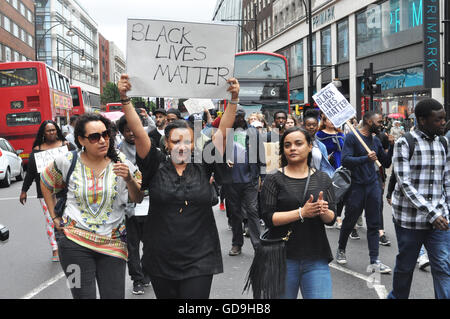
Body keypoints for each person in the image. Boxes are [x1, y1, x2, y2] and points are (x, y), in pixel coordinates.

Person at [118, 73, 241, 299]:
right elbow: (137, 131)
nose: (182, 146)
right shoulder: (154, 164)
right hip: (161, 255)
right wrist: (125, 98)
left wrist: (233, 99)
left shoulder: (204, 164)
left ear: (195, 143)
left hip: (201, 255)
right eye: (176, 141)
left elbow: (223, 131)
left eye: (187, 141)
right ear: (166, 143)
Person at [40, 113, 143, 299]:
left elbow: (138, 198)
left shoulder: (121, 161)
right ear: (81, 140)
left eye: (106, 134)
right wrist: (54, 217)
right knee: (81, 296)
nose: (103, 140)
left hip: (113, 245)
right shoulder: (67, 161)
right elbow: (45, 182)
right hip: (72, 244)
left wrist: (129, 179)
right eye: (95, 137)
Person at [261, 127, 336, 299]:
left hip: (316, 258)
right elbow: (269, 218)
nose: (292, 148)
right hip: (281, 259)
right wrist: (302, 212)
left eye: (298, 143)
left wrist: (322, 210)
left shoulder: (323, 178)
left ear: (310, 146)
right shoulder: (273, 179)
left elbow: (331, 219)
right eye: (287, 145)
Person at [388, 98, 449, 299]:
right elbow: (405, 184)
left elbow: (447, 180)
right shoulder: (404, 142)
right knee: (405, 266)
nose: (443, 123)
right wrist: (432, 214)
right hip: (409, 220)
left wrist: (446, 210)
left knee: (442, 266)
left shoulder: (444, 142)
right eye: (438, 120)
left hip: (439, 220)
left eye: (444, 119)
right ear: (422, 120)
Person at [336, 111, 394, 273]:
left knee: (374, 223)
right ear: (368, 121)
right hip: (356, 186)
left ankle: (375, 260)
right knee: (350, 220)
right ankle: (341, 249)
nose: (381, 124)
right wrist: (365, 159)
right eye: (379, 121)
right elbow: (346, 160)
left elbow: (386, 163)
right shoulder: (352, 138)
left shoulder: (375, 140)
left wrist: (391, 145)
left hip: (373, 185)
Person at [19, 120, 71, 262]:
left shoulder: (65, 146)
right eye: (48, 131)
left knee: (68, 217)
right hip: (45, 191)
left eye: (54, 130)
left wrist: (69, 147)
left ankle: (70, 245)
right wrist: (24, 190)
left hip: (65, 190)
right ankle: (55, 248)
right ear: (43, 133)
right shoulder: (36, 150)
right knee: (51, 219)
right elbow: (30, 173)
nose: (52, 133)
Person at [222, 108, 266, 256]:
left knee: (252, 211)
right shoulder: (225, 132)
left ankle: (257, 244)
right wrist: (224, 160)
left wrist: (263, 176)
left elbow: (261, 155)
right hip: (231, 180)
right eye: (235, 117)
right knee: (235, 213)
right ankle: (236, 244)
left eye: (240, 117)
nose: (238, 119)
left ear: (244, 117)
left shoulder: (253, 133)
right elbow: (216, 151)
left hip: (250, 179)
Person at [117, 114, 151, 295]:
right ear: (122, 132)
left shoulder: (149, 148)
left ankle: (146, 273)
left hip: (150, 205)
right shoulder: (116, 153)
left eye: (134, 129)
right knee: (132, 247)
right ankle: (137, 279)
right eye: (127, 130)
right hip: (129, 209)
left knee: (151, 244)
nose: (131, 133)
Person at [302, 109, 334, 178]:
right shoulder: (297, 143)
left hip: (316, 181)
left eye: (314, 125)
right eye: (309, 125)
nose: (311, 127)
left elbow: (324, 167)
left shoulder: (321, 146)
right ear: (304, 126)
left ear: (317, 127)